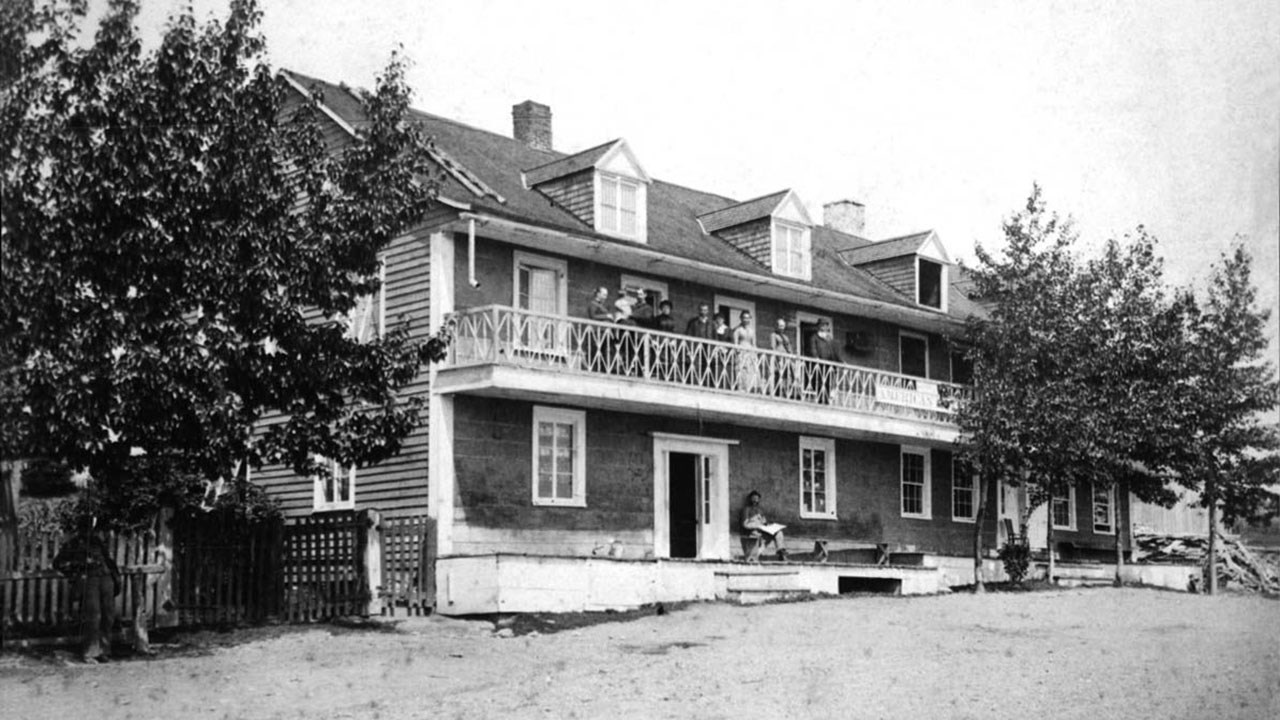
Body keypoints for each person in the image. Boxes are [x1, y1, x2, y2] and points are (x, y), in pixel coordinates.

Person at [53, 519, 121, 663]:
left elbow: (108, 560)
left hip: (106, 578)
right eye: (85, 527)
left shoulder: (97, 541)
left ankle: (104, 651)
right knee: (93, 616)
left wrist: (114, 578)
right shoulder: (73, 544)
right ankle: (90, 653)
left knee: (108, 616)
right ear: (80, 528)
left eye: (90, 527)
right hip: (90, 581)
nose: (89, 530)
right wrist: (78, 568)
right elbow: (58, 563)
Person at [740, 490, 787, 561]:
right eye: (753, 499)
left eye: (757, 499)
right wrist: (757, 526)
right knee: (761, 538)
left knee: (779, 532)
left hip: (763, 531)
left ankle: (781, 552)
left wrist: (768, 525)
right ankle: (755, 554)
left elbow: (764, 522)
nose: (755, 501)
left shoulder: (760, 510)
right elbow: (745, 524)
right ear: (750, 499)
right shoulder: (747, 509)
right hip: (754, 532)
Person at [805, 319, 841, 404]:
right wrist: (816, 358)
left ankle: (826, 400)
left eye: (826, 326)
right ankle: (820, 399)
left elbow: (834, 353)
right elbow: (813, 349)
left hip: (829, 366)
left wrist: (841, 361)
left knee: (828, 383)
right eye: (822, 325)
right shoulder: (814, 337)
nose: (824, 328)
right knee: (819, 382)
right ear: (818, 327)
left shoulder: (829, 339)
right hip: (819, 365)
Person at [732, 311, 760, 392]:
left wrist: (755, 353)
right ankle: (742, 388)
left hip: (750, 352)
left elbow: (754, 343)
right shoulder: (737, 330)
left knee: (751, 370)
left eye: (748, 318)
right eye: (744, 318)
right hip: (742, 351)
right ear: (741, 318)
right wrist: (738, 350)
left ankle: (751, 388)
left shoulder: (752, 331)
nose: (746, 320)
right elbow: (735, 343)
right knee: (742, 370)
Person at [770, 317, 796, 398]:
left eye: (783, 326)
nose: (782, 328)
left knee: (787, 376)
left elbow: (789, 348)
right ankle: (778, 392)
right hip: (779, 358)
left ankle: (787, 392)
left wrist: (792, 357)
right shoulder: (774, 335)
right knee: (778, 374)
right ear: (776, 326)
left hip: (786, 358)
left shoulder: (785, 337)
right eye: (780, 326)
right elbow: (773, 347)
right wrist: (777, 357)